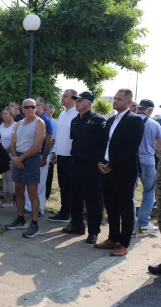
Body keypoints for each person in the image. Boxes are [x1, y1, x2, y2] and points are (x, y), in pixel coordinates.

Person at [95, 88, 144, 256]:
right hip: (107, 168)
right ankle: (113, 238)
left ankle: (124, 243)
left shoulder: (135, 120)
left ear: (129, 102)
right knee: (111, 205)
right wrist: (101, 162)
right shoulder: (110, 120)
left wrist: (113, 165)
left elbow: (130, 148)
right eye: (115, 98)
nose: (115, 101)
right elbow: (104, 144)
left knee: (125, 207)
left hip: (124, 171)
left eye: (119, 99)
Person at [64, 92, 106, 244]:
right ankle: (77, 225)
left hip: (91, 166)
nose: (76, 103)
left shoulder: (98, 121)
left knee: (93, 200)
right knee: (75, 196)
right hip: (76, 163)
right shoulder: (75, 121)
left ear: (89, 103)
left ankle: (93, 231)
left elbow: (102, 145)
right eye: (76, 100)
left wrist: (99, 163)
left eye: (80, 101)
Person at [5, 98, 45, 238]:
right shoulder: (19, 124)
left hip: (31, 158)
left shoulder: (39, 123)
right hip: (19, 158)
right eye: (27, 107)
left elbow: (37, 146)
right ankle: (20, 219)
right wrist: (16, 158)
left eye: (32, 106)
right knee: (19, 190)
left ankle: (34, 224)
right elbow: (13, 143)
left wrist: (20, 159)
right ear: (22, 109)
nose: (30, 109)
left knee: (32, 192)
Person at [48, 89, 79, 223]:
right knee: (63, 185)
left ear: (73, 99)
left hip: (71, 156)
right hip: (61, 154)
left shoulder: (77, 114)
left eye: (65, 96)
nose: (62, 98)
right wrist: (55, 152)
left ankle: (73, 213)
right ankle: (64, 211)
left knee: (72, 186)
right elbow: (60, 136)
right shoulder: (62, 114)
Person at [135, 99, 161, 233]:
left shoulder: (129, 121)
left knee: (129, 194)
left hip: (131, 163)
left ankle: (131, 226)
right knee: (149, 192)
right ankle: (144, 224)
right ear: (150, 110)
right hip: (148, 162)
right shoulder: (154, 124)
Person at [24, 97, 53, 217]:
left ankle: (39, 208)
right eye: (28, 106)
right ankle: (28, 206)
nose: (32, 108)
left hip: (40, 157)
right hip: (29, 156)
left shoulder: (45, 120)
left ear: (42, 107)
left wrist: (44, 158)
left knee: (40, 184)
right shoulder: (29, 120)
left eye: (35, 106)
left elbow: (49, 141)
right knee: (28, 182)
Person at [0, 106, 16, 208]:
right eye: (3, 113)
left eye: (6, 113)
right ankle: (4, 200)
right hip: (2, 155)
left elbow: (13, 142)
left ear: (11, 115)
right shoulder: (1, 125)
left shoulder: (15, 126)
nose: (3, 115)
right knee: (4, 177)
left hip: (10, 155)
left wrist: (5, 152)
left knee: (10, 178)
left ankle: (10, 201)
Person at [43, 104, 57, 200]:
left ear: (51, 112)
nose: (43, 111)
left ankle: (45, 197)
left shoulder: (53, 123)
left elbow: (53, 141)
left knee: (47, 178)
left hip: (49, 154)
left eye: (45, 109)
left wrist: (49, 153)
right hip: (42, 153)